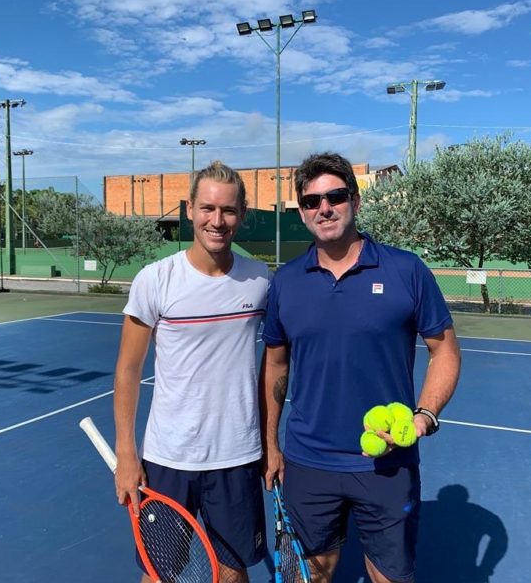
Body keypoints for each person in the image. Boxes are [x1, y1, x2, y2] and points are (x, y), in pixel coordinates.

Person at [260, 152, 461, 583]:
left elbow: (444, 350)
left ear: (354, 200)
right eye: (312, 201)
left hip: (388, 464)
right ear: (301, 211)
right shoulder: (287, 281)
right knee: (313, 574)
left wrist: (424, 416)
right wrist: (271, 444)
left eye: (334, 196)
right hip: (308, 461)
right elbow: (275, 364)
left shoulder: (406, 270)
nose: (324, 208)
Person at [113, 161, 271, 583]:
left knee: (232, 574)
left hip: (237, 457)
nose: (217, 221)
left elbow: (277, 363)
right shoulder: (155, 280)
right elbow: (128, 370)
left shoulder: (260, 280)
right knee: (161, 574)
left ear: (242, 214)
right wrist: (127, 455)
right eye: (207, 208)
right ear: (189, 209)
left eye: (228, 211)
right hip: (168, 458)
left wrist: (271, 444)